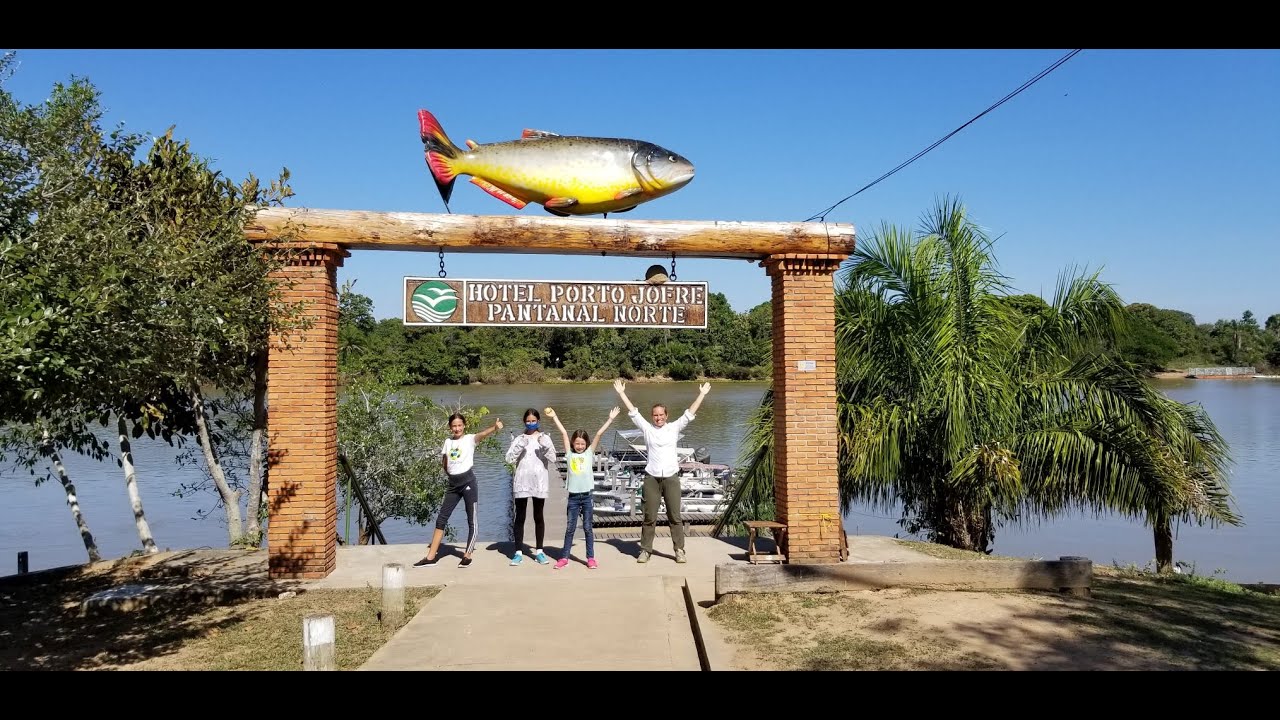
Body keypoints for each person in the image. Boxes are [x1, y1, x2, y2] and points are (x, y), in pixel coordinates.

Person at [612, 379, 712, 563]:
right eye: (655, 415)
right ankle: (645, 550)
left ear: (666, 415)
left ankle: (679, 550)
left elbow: (689, 413)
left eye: (661, 415)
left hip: (671, 478)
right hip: (652, 478)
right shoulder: (647, 429)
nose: (658, 418)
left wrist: (702, 394)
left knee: (675, 516)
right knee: (649, 517)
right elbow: (633, 412)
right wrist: (621, 393)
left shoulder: (674, 428)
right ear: (652, 417)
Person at [414, 413, 503, 568]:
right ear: (450, 427)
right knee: (441, 519)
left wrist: (494, 428)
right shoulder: (448, 442)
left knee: (472, 520)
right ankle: (430, 557)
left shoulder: (469, 439)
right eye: (454, 426)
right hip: (453, 485)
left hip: (468, 482)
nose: (457, 428)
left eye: (459, 425)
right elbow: (445, 461)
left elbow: (481, 435)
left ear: (464, 425)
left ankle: (467, 555)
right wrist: (448, 473)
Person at [546, 405, 620, 570]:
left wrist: (611, 419)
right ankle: (564, 557)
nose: (579, 446)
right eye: (577, 443)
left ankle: (590, 558)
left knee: (587, 528)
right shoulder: (569, 454)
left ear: (586, 444)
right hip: (573, 498)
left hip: (587, 497)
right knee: (570, 529)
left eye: (582, 443)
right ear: (573, 443)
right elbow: (564, 433)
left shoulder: (588, 454)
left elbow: (599, 434)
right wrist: (555, 417)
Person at [504, 408, 559, 565]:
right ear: (524, 422)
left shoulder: (544, 438)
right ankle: (518, 552)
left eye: (533, 421)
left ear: (538, 421)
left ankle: (540, 551)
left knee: (538, 516)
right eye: (528, 421)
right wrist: (519, 445)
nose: (531, 423)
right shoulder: (519, 438)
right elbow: (509, 459)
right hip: (522, 482)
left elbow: (554, 458)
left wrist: (545, 446)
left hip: (539, 482)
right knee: (520, 517)